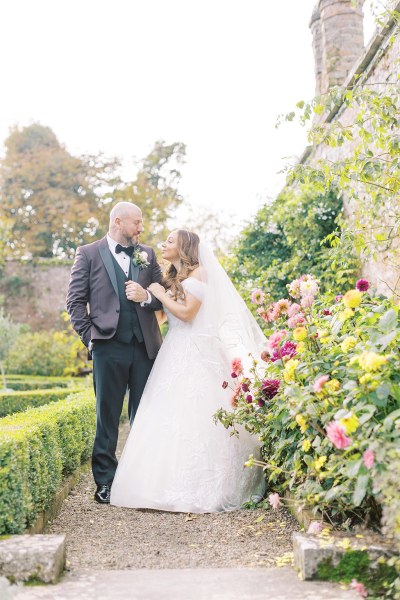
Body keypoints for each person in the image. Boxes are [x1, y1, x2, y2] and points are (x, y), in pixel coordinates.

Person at [110, 229, 267, 513]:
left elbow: (188, 314)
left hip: (195, 352)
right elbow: (164, 313)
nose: (164, 243)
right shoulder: (174, 278)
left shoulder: (199, 274)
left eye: (170, 240)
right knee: (167, 417)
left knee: (197, 414)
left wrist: (157, 292)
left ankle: (202, 488)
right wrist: (149, 295)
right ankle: (154, 485)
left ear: (184, 247)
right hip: (174, 351)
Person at [66, 202, 163, 504]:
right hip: (108, 347)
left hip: (146, 347)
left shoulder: (146, 253)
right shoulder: (88, 253)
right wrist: (91, 339)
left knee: (144, 415)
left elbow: (164, 295)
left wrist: (146, 296)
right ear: (118, 221)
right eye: (137, 222)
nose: (141, 228)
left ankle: (140, 481)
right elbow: (75, 302)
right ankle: (105, 483)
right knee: (106, 418)